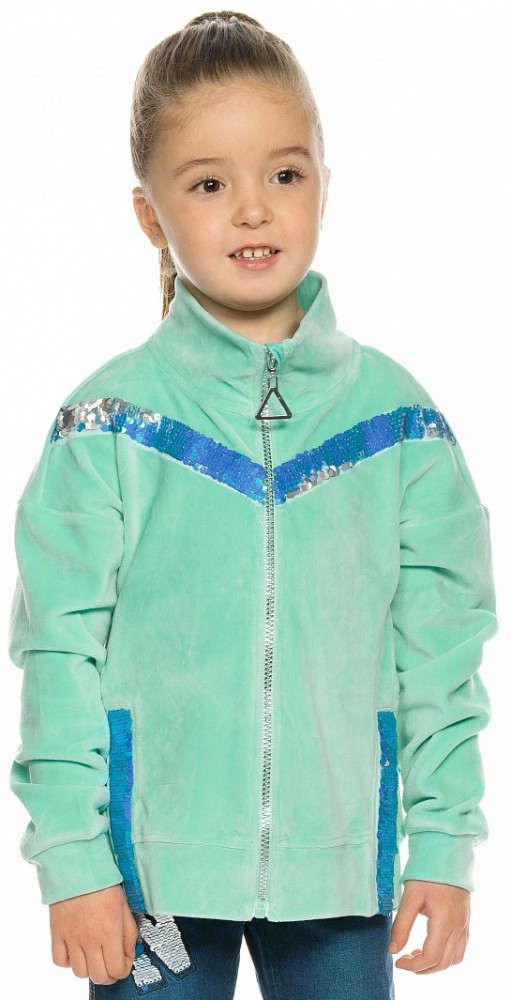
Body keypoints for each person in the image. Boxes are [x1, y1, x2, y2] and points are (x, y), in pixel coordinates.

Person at [7, 10, 498, 1000]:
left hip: (340, 877)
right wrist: (74, 861)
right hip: (146, 883)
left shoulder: (398, 425)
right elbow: (58, 651)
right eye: (207, 184)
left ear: (324, 184)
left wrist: (444, 848)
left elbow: (442, 651)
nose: (251, 211)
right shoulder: (108, 425)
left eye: (283, 174)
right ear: (150, 215)